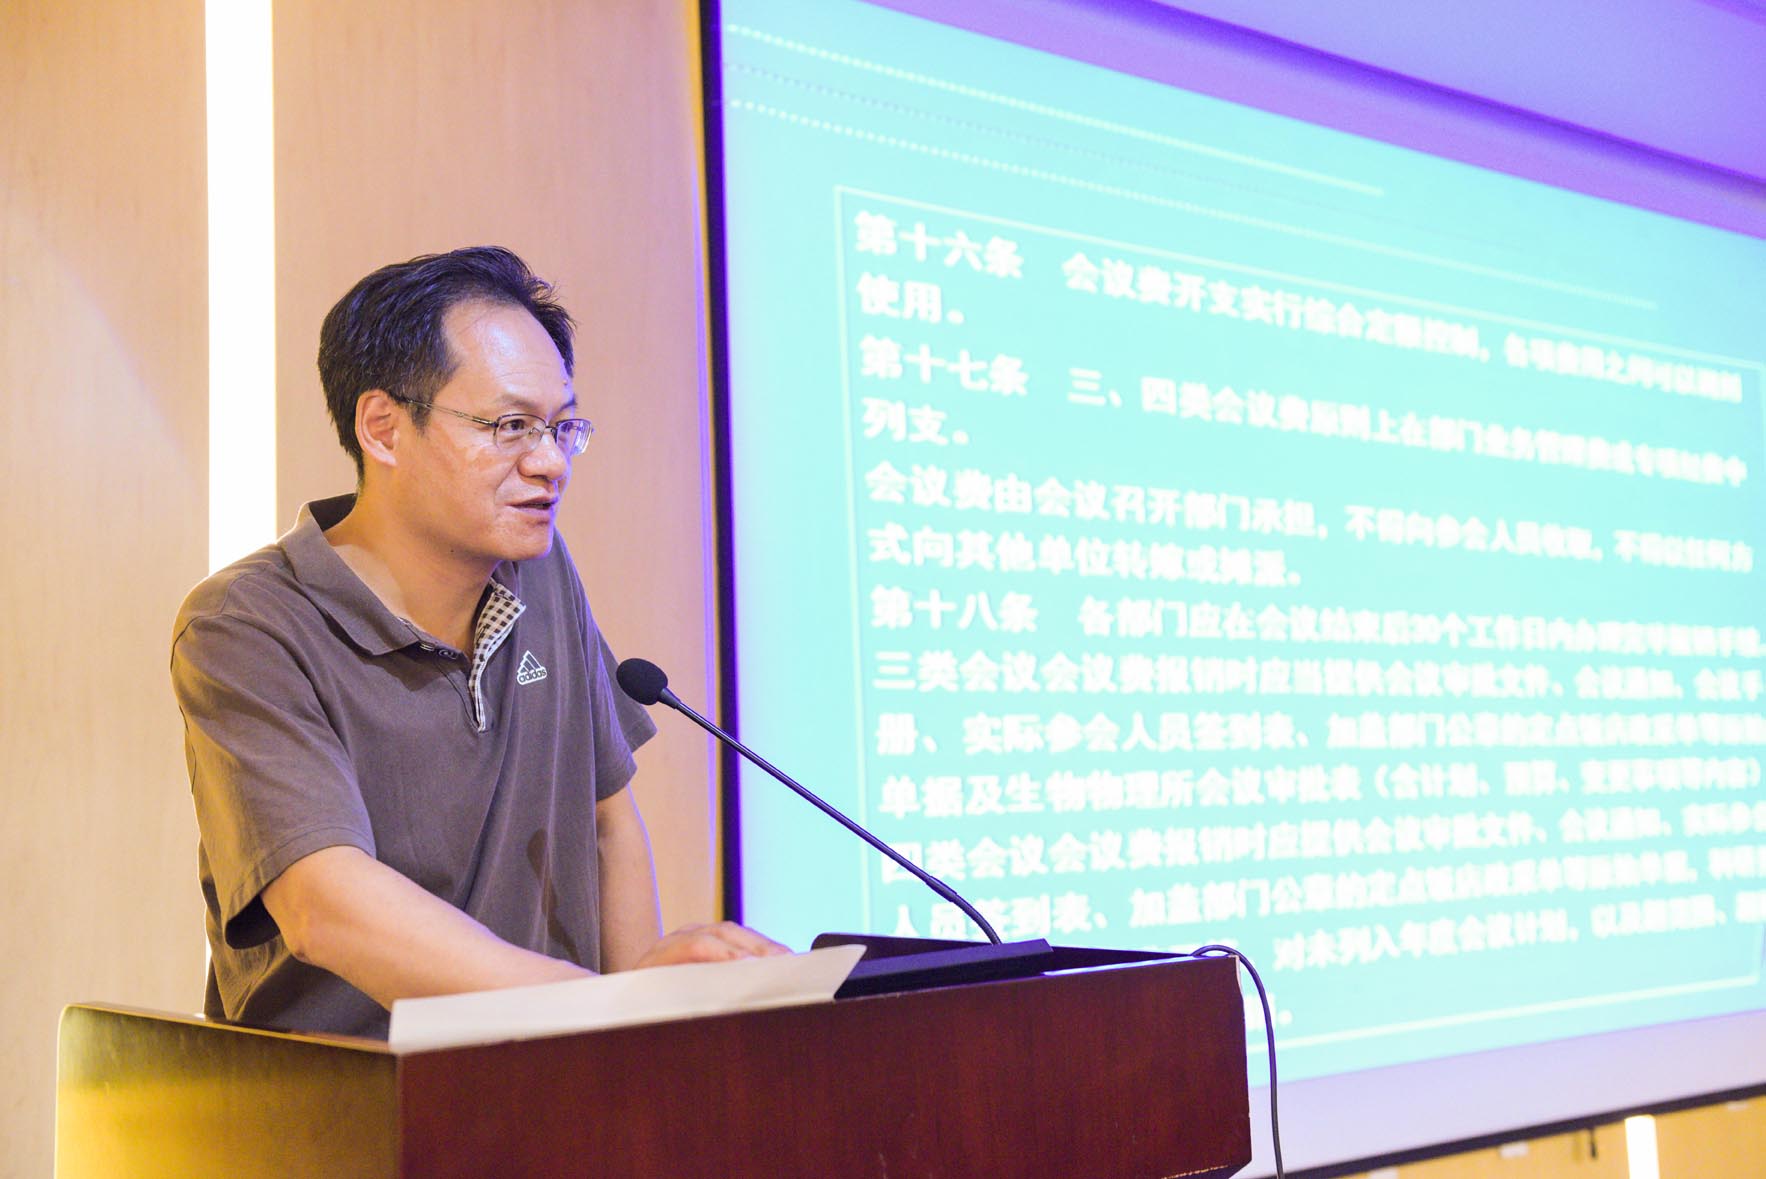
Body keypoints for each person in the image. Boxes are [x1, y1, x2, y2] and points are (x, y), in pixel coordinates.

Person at [172, 246, 785, 1037]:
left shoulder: (542, 573)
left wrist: (639, 1037)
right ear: (383, 428)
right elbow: (325, 906)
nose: (550, 462)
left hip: (541, 1076)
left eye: (561, 427)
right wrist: (597, 1002)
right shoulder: (248, 623)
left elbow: (607, 824)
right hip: (346, 1094)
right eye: (511, 426)